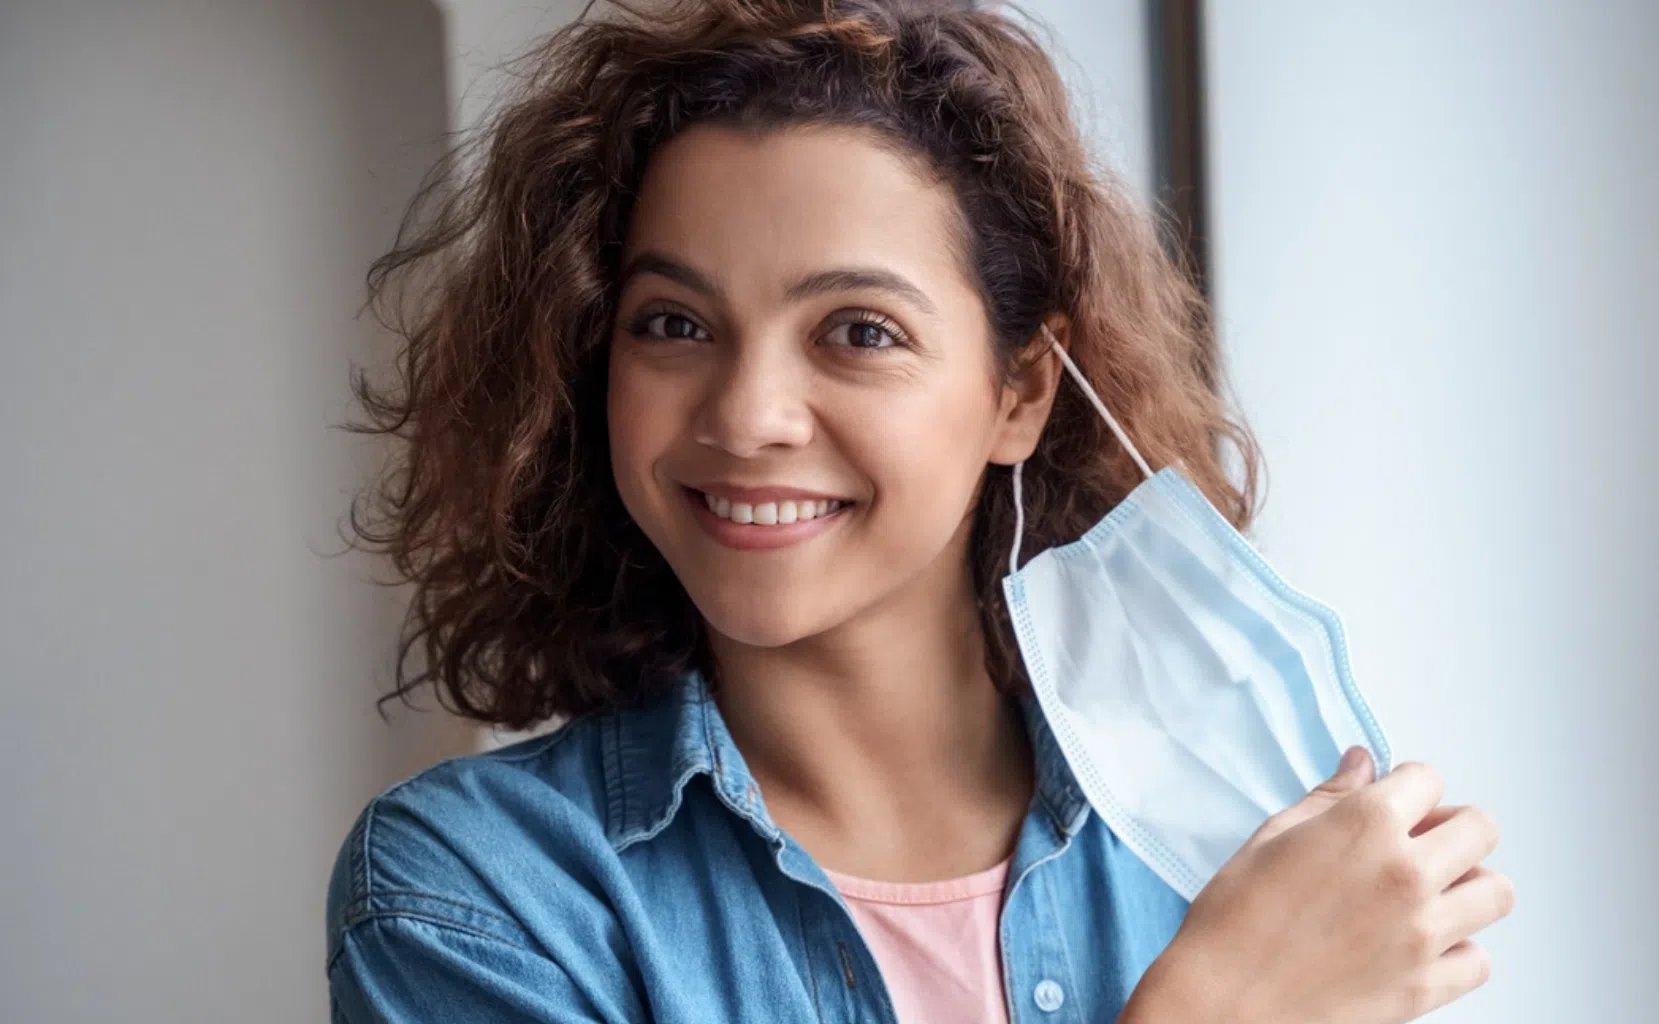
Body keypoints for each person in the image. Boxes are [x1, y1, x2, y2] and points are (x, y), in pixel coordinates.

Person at [325, 1, 1514, 1021]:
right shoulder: (475, 892)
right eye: (674, 324)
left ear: (1021, 394)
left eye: (859, 331)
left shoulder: (1251, 831)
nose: (748, 415)